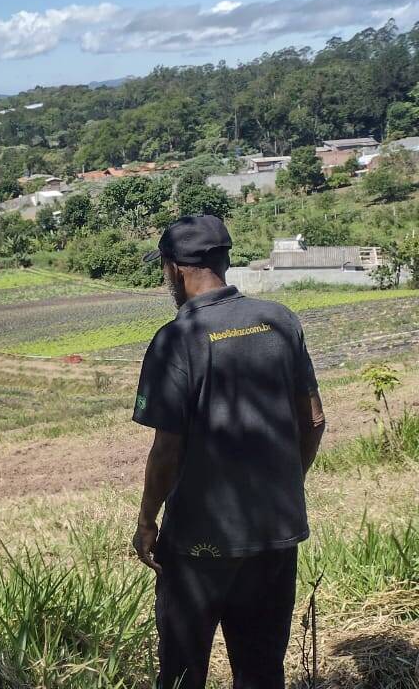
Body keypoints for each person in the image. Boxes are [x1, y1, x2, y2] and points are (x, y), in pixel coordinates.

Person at [130, 215, 327, 689]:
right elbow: (315, 421)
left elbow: (167, 450)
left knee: (182, 672)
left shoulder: (176, 339)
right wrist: (285, 484)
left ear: (174, 269)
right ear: (224, 259)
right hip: (276, 530)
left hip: (201, 539)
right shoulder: (280, 320)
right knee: (261, 671)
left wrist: (146, 520)